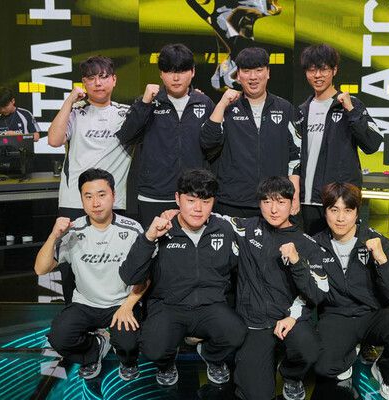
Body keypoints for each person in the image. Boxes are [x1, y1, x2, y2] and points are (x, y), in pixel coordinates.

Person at [120, 169, 247, 387]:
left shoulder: (224, 229)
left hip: (210, 305)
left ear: (213, 202)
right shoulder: (162, 229)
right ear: (177, 199)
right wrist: (149, 238)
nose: (198, 208)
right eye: (190, 200)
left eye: (205, 202)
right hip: (169, 306)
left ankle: (210, 355)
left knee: (236, 333)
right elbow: (130, 275)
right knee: (153, 348)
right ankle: (167, 362)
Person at [305, 182, 389, 400]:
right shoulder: (314, 245)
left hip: (373, 313)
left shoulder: (377, 241)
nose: (340, 218)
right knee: (324, 367)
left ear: (357, 212)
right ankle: (349, 353)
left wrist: (381, 259)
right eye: (334, 210)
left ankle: (385, 374)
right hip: (337, 316)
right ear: (325, 211)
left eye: (348, 210)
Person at [34, 168, 147, 381]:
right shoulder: (73, 230)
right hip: (85, 303)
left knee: (128, 343)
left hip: (120, 303)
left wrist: (128, 305)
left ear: (113, 195)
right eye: (88, 196)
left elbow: (146, 276)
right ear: (82, 200)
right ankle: (94, 350)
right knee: (59, 338)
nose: (95, 203)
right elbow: (40, 269)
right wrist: (53, 235)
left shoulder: (133, 230)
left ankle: (127, 360)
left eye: (101, 195)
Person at [222, 176, 328, 400]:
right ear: (259, 203)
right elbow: (207, 215)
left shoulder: (307, 244)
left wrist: (297, 263)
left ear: (292, 203)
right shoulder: (245, 228)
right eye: (267, 201)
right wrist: (173, 213)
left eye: (280, 202)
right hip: (254, 322)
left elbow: (318, 294)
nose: (273, 209)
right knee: (256, 395)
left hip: (289, 318)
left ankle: (291, 375)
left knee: (308, 349)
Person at [47, 55, 132, 304]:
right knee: (71, 266)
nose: (98, 83)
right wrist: (69, 101)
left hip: (114, 202)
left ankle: (113, 314)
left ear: (114, 80)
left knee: (112, 265)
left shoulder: (127, 114)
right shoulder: (75, 113)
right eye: (91, 78)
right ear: (83, 83)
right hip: (74, 201)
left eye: (103, 77)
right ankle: (74, 313)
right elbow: (53, 140)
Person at [116, 43, 215, 227]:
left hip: (193, 196)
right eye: (169, 71)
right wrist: (144, 103)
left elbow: (214, 147)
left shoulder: (205, 103)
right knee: (153, 243)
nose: (175, 78)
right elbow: (127, 137)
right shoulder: (148, 102)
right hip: (154, 195)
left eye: (182, 71)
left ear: (192, 72)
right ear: (161, 74)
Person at [201, 47, 301, 218]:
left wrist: (295, 193)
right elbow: (207, 141)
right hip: (231, 202)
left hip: (273, 203)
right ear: (238, 76)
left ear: (268, 73)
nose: (253, 77)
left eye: (259, 70)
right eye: (246, 71)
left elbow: (295, 155)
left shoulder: (285, 109)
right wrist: (222, 104)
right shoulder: (227, 108)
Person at [297, 44, 383, 235]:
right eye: (311, 70)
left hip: (339, 202)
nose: (317, 75)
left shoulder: (351, 105)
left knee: (342, 252)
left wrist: (351, 111)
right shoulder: (302, 110)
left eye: (323, 69)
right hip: (306, 202)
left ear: (334, 70)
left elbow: (373, 144)